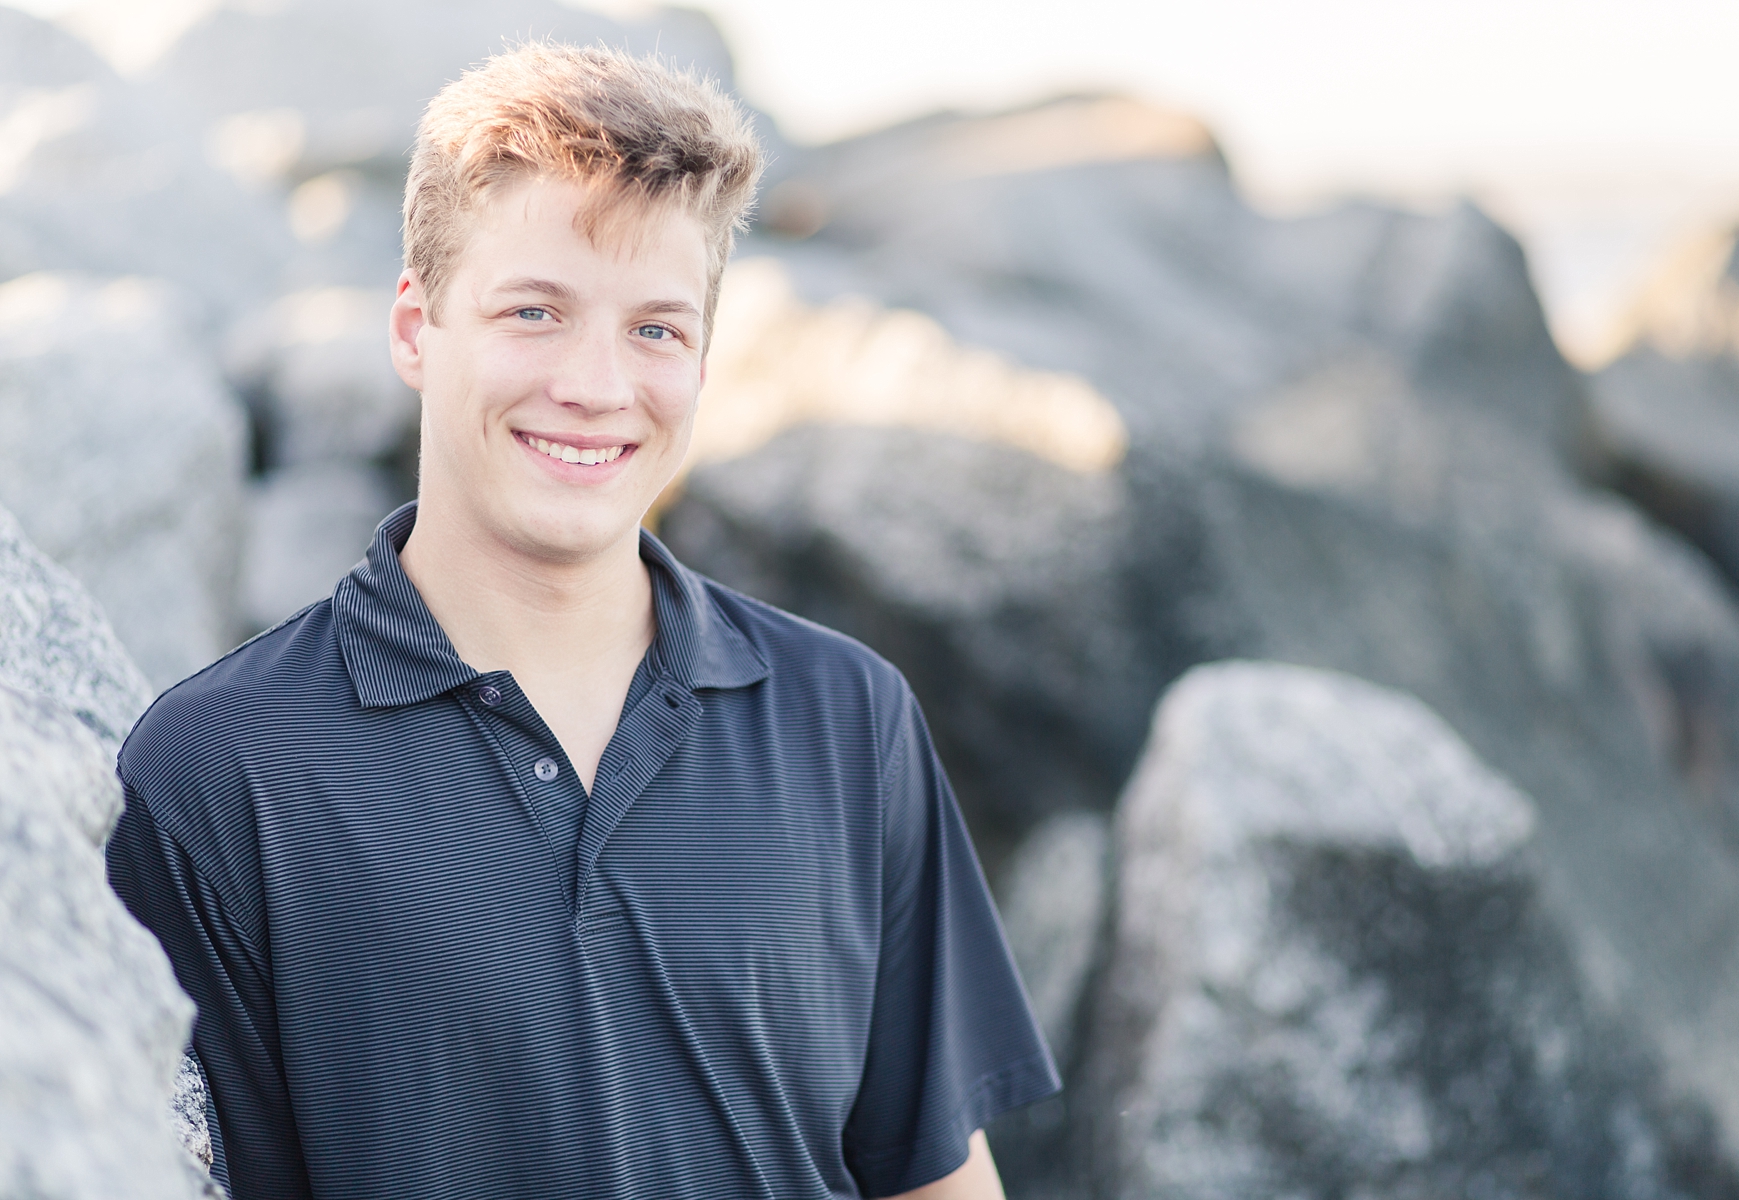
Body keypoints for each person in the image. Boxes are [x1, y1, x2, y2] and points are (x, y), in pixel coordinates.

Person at [104, 40, 1059, 1200]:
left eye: (656, 329)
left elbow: (933, 1178)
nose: (597, 386)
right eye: (535, 311)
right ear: (415, 328)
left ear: (705, 358)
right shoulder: (218, 770)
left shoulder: (850, 719)